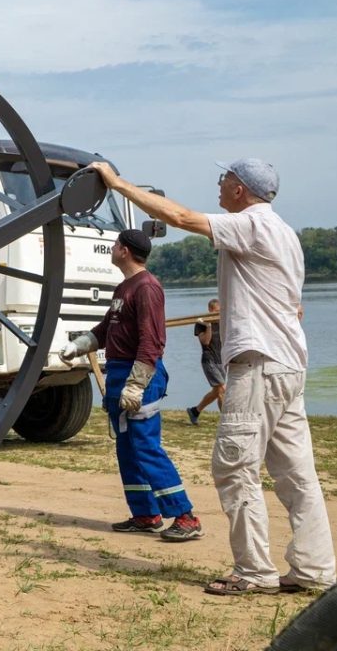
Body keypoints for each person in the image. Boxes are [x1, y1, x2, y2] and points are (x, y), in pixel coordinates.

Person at [88, 157, 336, 596]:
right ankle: (314, 569)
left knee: (234, 466)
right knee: (297, 475)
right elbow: (292, 303)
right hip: (289, 364)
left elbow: (181, 217)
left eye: (225, 179)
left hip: (257, 365)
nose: (218, 184)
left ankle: (254, 572)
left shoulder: (252, 224)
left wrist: (116, 183)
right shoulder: (286, 233)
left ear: (240, 189)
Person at [60, 229, 203, 542]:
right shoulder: (124, 287)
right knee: (127, 449)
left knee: (145, 447)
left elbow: (152, 341)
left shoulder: (147, 287)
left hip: (139, 374)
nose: (112, 248)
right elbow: (106, 329)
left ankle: (185, 516)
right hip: (119, 373)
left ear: (124, 250)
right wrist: (80, 345)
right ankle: (146, 514)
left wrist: (136, 384)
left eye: (115, 245)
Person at [187, 298, 225, 425]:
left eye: (219, 311)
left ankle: (195, 411)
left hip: (221, 360)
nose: (217, 314)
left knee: (217, 391)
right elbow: (206, 342)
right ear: (209, 310)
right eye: (215, 311)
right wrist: (208, 326)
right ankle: (225, 420)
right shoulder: (201, 324)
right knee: (222, 389)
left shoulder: (223, 322)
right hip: (209, 360)